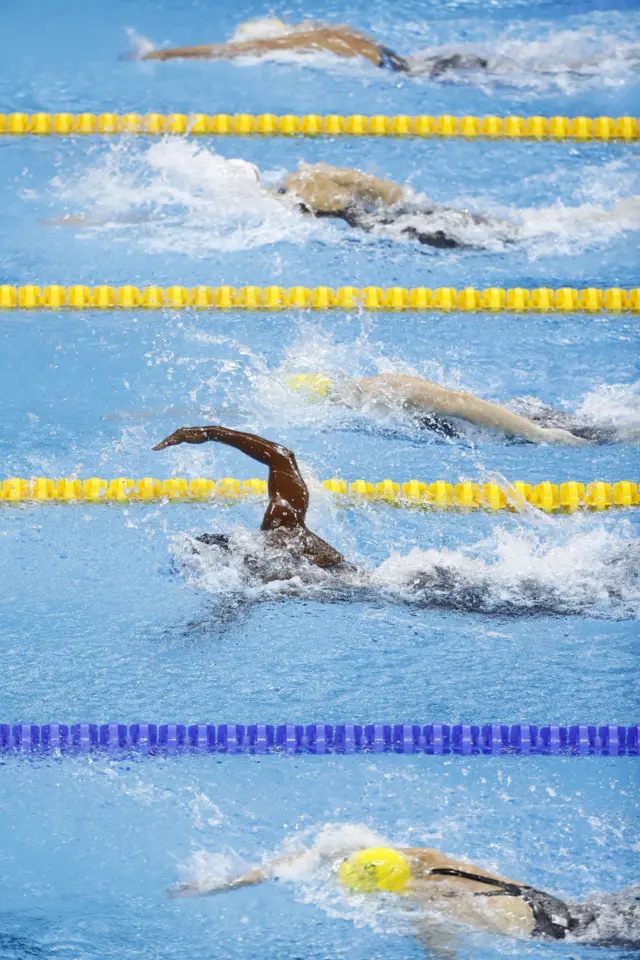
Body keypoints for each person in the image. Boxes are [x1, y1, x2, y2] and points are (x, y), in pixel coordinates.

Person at [168, 844, 636, 947]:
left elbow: (442, 950)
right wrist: (230, 883)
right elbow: (311, 854)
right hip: (568, 903)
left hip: (593, 932)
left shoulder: (431, 904)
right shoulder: (421, 856)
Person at [153, 424, 346, 568]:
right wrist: (211, 433)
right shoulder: (285, 525)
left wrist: (212, 432)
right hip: (355, 582)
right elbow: (282, 457)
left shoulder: (281, 526)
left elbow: (282, 458)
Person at [287, 372, 590, 444]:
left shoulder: (381, 389)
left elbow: (462, 402)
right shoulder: (360, 409)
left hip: (518, 422)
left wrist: (540, 433)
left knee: (609, 434)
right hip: (497, 430)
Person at [137, 16, 488, 79]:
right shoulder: (322, 31)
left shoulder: (287, 42)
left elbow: (232, 51)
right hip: (419, 62)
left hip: (418, 73)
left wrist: (166, 53)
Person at [277, 161, 509, 250]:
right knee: (508, 235)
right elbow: (394, 194)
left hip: (403, 230)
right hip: (423, 215)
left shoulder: (286, 199)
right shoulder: (310, 174)